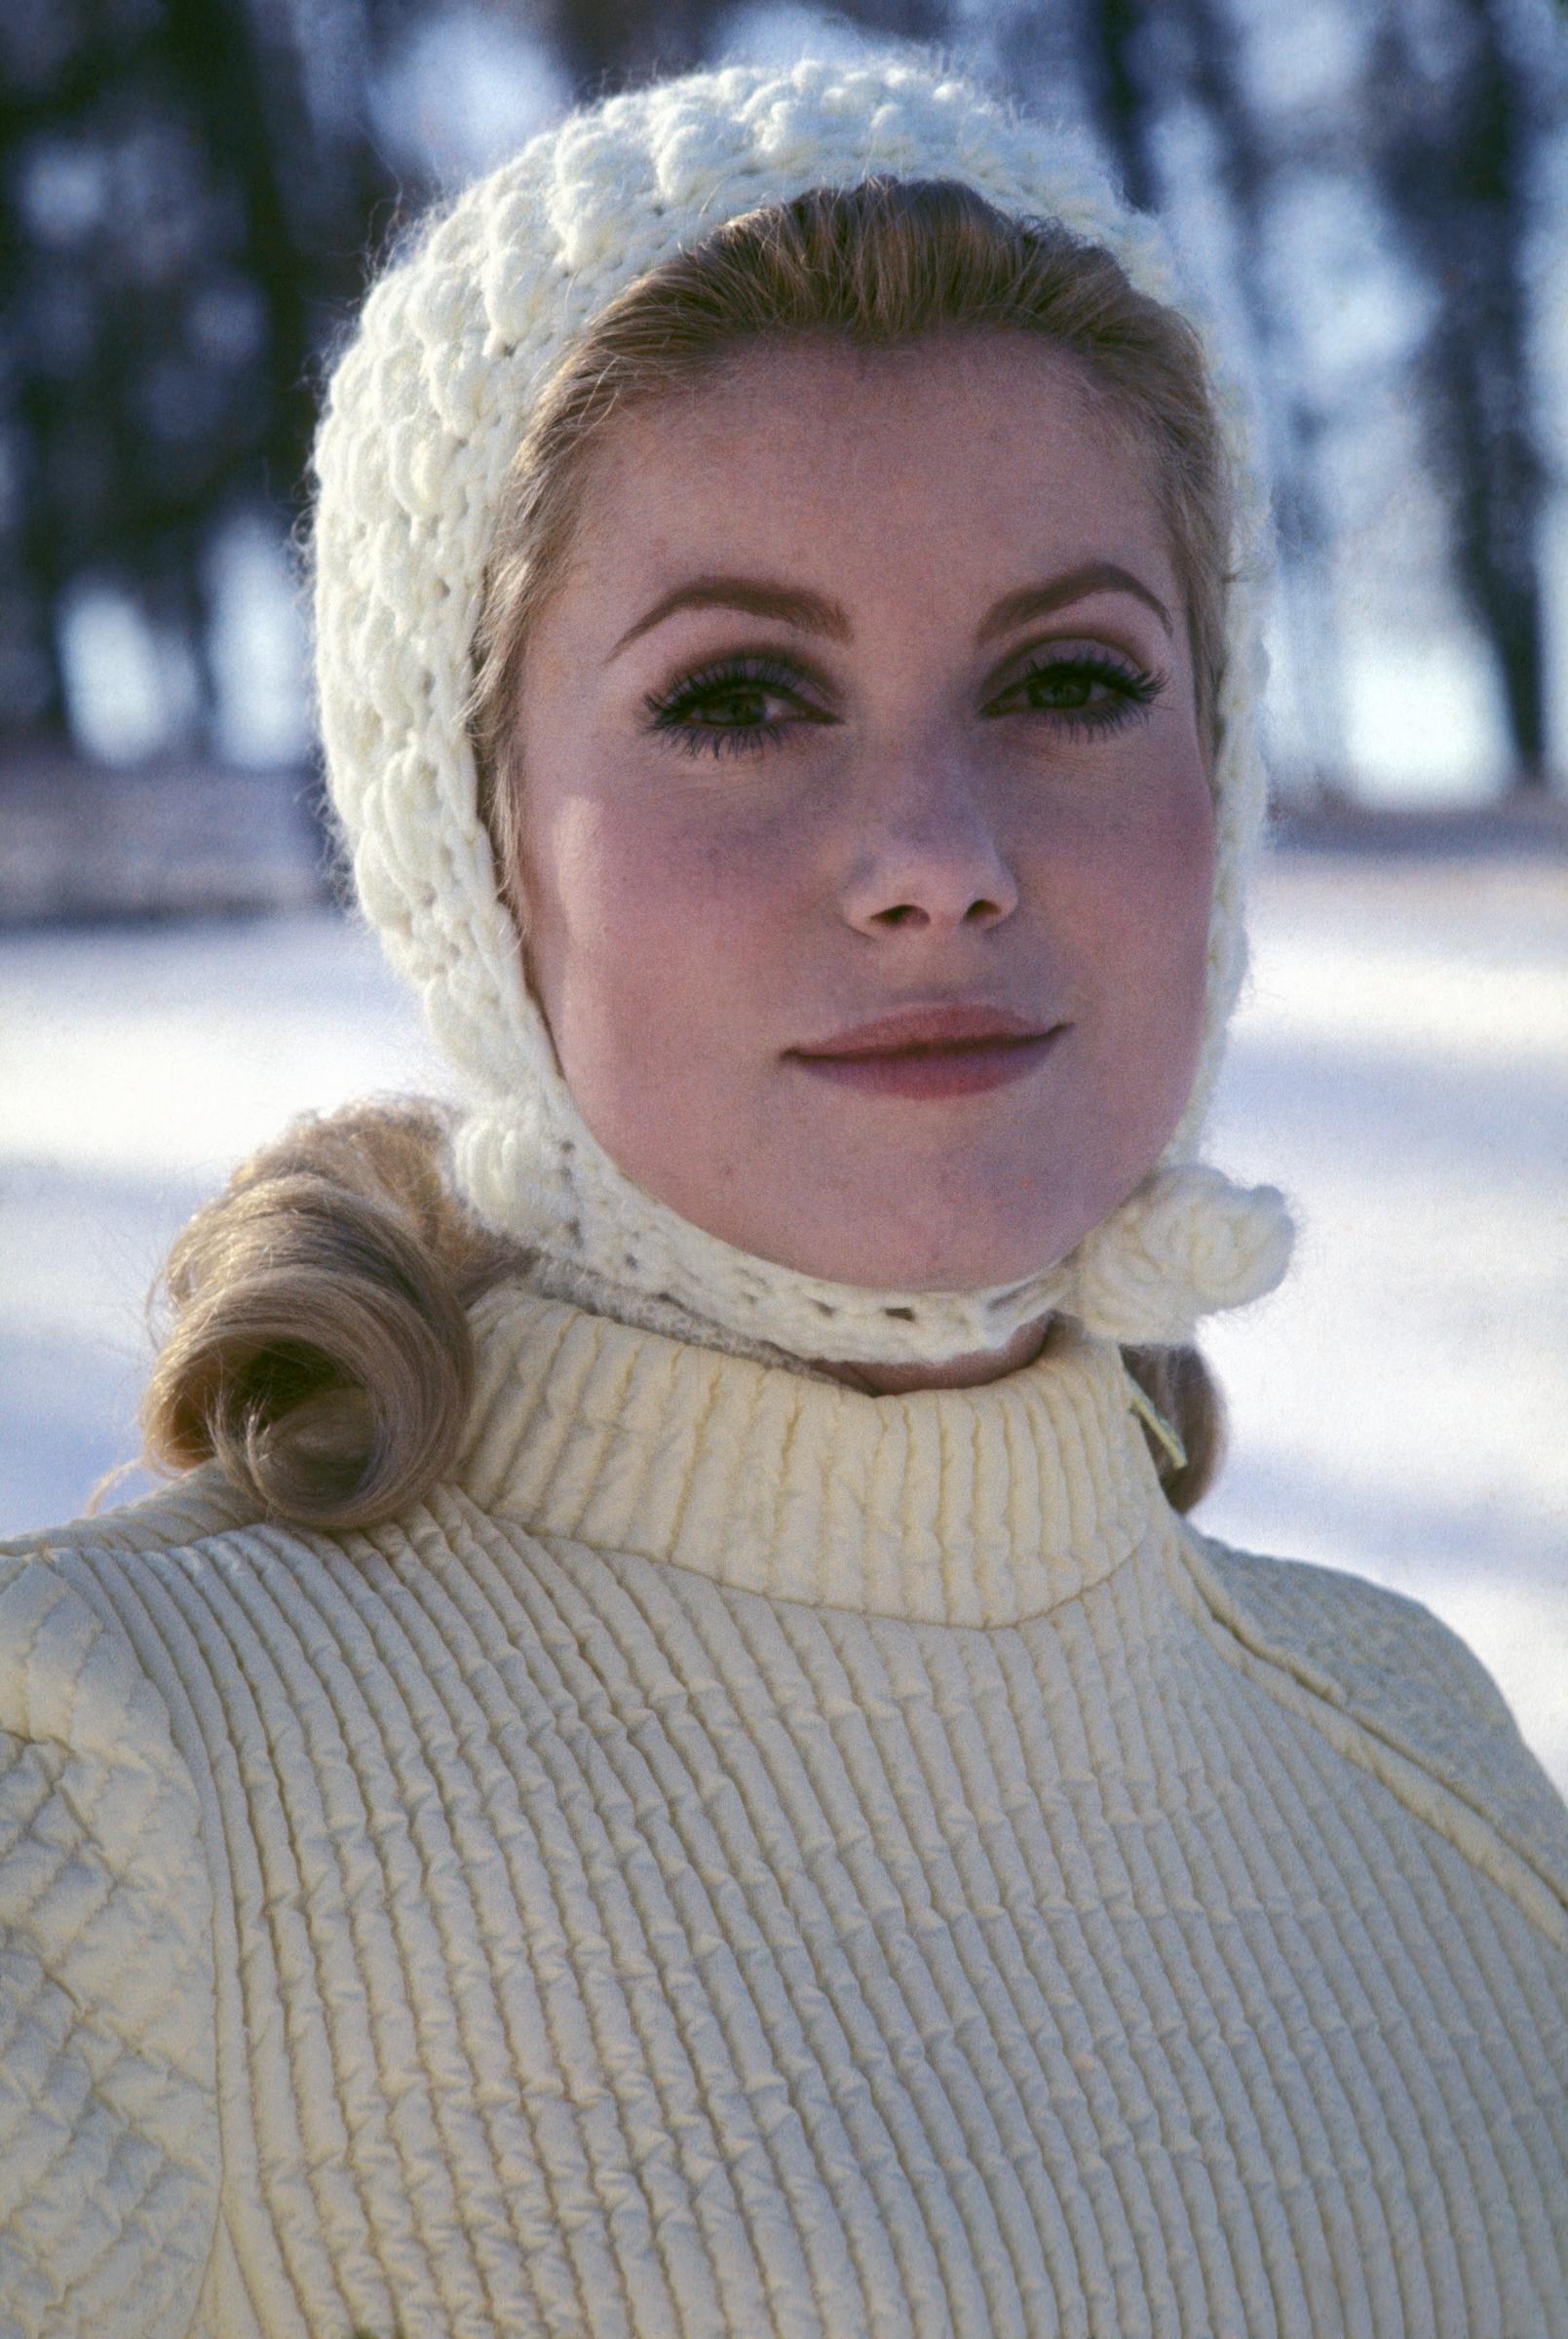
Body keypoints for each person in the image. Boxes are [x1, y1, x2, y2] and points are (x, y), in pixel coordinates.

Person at [3, 50, 1565, 2339]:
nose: (940, 858)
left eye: (1064, 677)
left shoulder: (1420, 1766)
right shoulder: (114, 1800)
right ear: (469, 836)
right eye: (739, 696)